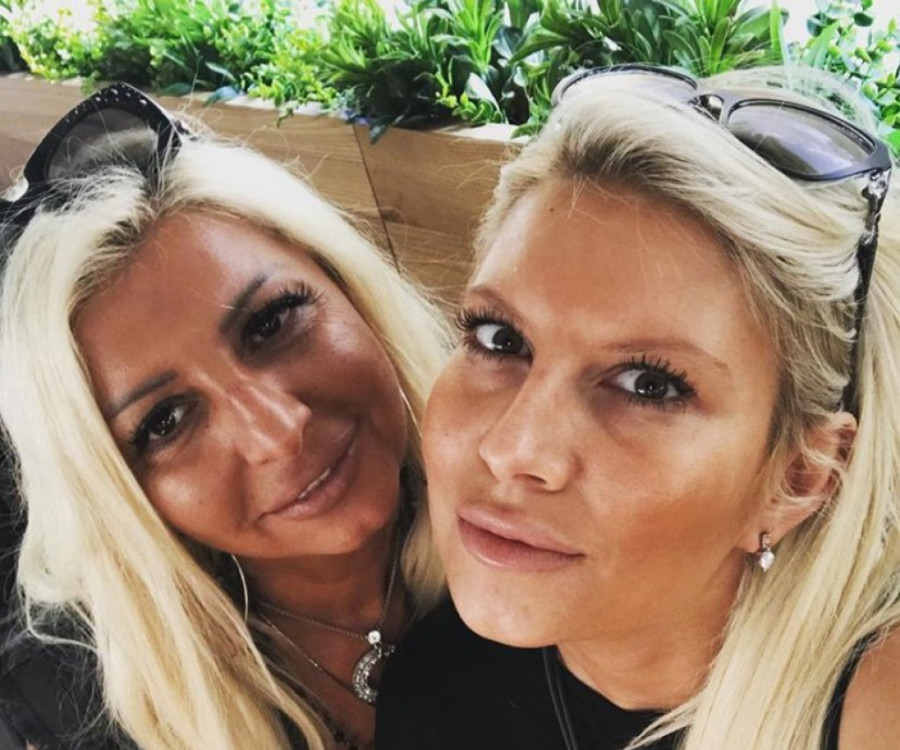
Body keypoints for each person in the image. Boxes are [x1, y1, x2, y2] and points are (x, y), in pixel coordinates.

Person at [376, 65, 900, 750]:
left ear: (794, 480)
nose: (511, 450)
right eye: (501, 339)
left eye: (649, 385)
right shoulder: (434, 694)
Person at [0, 83, 450, 750]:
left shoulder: (547, 517)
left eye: (271, 323)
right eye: (166, 421)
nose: (278, 431)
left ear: (351, 286)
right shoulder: (74, 713)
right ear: (114, 490)